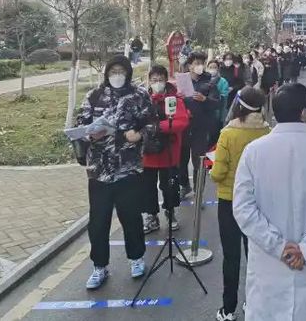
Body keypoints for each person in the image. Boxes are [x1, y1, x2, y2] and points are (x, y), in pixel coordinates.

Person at [233, 83, 306, 320]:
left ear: (275, 114)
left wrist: (279, 247)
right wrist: (305, 249)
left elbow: (243, 209)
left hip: (268, 268)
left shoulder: (254, 151)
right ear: (304, 112)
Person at [76, 55, 152, 289]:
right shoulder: (94, 96)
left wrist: (140, 135)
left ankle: (136, 258)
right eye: (113, 71)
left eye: (121, 71)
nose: (116, 75)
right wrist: (89, 134)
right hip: (99, 171)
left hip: (128, 169)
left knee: (131, 217)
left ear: (128, 73)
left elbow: (152, 123)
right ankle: (99, 266)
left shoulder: (139, 95)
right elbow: (81, 124)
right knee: (98, 222)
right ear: (107, 73)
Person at [210, 87, 272, 321]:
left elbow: (218, 173)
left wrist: (213, 170)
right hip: (258, 201)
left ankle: (228, 309)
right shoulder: (267, 131)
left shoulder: (228, 133)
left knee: (231, 256)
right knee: (255, 254)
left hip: (230, 201)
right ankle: (253, 303)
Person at [141, 65, 190, 234]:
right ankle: (151, 216)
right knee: (147, 187)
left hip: (169, 152)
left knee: (169, 186)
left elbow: (181, 121)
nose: (157, 83)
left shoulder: (174, 99)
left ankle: (170, 212)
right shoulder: (143, 99)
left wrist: (157, 127)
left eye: (160, 80)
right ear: (149, 81)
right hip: (147, 154)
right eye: (154, 80)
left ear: (166, 80)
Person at [180, 51, 220, 199]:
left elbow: (217, 103)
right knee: (181, 161)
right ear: (189, 65)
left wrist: (205, 99)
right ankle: (184, 186)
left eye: (202, 63)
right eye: (196, 63)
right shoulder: (182, 81)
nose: (199, 66)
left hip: (201, 128)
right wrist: (179, 99)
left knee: (199, 162)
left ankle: (199, 193)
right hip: (183, 128)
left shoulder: (209, 82)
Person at [209, 58, 232, 125]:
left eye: (214, 67)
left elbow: (224, 97)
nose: (212, 69)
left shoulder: (223, 81)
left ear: (218, 69)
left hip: (219, 111)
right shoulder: (204, 80)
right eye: (210, 67)